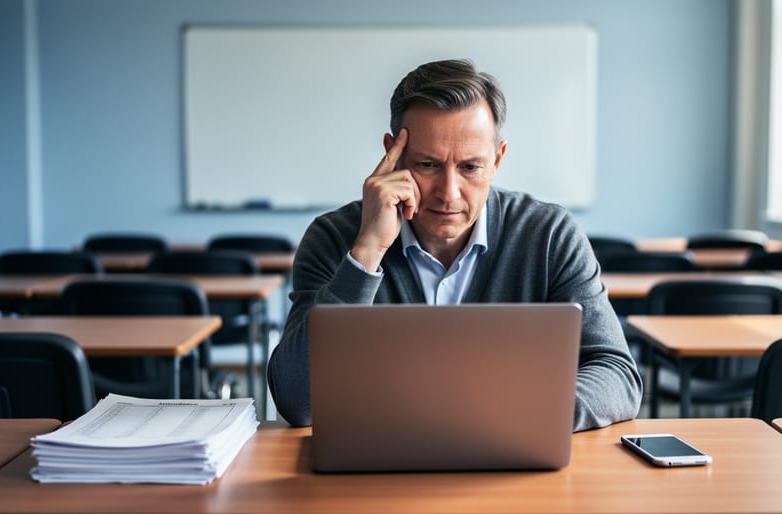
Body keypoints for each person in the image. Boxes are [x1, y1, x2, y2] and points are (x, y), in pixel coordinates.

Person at [267, 58, 642, 431]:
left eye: (470, 167)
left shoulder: (548, 235)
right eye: (428, 165)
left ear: (497, 160)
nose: (448, 193)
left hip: (512, 461)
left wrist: (517, 414)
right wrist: (366, 253)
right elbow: (298, 402)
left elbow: (617, 374)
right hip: (378, 477)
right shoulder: (333, 238)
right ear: (391, 156)